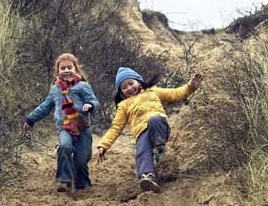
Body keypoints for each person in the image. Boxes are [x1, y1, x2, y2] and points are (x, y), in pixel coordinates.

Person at [96, 67, 202, 193]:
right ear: (120, 93)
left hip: (159, 128)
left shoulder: (153, 91)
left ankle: (159, 148)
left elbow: (176, 93)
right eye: (124, 87)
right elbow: (115, 128)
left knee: (154, 120)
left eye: (131, 83)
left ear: (139, 81)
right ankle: (147, 177)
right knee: (142, 151)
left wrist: (191, 86)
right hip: (141, 133)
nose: (129, 88)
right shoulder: (123, 106)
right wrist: (103, 145)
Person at [23, 53, 99, 192]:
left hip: (82, 127)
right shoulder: (55, 89)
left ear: (76, 69)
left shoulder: (83, 86)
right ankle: (64, 180)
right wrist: (30, 119)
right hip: (64, 126)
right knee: (65, 146)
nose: (66, 70)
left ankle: (82, 183)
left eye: (69, 67)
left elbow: (94, 101)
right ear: (58, 71)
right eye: (62, 68)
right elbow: (44, 107)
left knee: (82, 159)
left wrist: (89, 104)